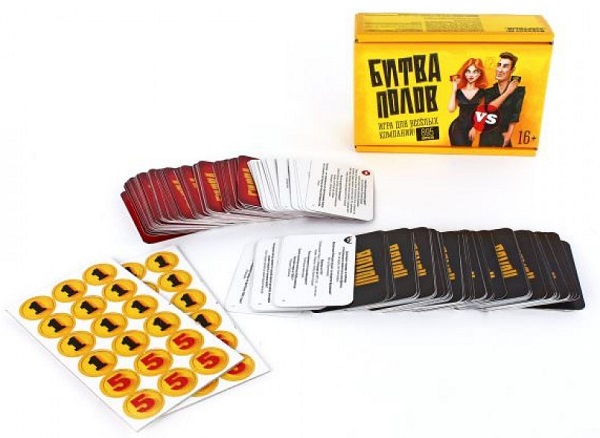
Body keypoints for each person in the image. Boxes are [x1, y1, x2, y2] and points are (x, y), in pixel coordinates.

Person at [479, 52, 525, 147]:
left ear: (512, 70)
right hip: (487, 137)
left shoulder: (518, 92)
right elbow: (489, 109)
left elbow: (515, 114)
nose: (500, 70)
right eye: (499, 65)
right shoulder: (488, 92)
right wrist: (508, 92)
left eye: (505, 66)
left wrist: (508, 135)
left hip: (504, 136)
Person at [448, 58, 488, 146]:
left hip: (471, 129)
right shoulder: (458, 92)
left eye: (475, 72)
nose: (471, 75)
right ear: (464, 73)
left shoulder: (482, 93)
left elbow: (482, 113)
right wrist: (454, 90)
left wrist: (475, 128)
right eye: (468, 71)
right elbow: (451, 109)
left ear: (480, 74)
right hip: (457, 128)